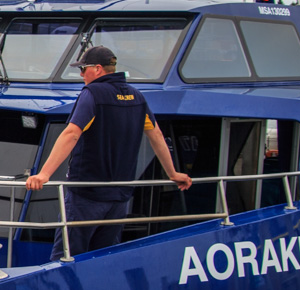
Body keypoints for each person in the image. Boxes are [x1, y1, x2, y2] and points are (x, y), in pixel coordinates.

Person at [26, 45, 191, 259]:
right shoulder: (136, 97)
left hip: (87, 195)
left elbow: (71, 134)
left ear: (97, 69)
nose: (81, 74)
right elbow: (157, 136)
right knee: (103, 257)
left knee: (66, 257)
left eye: (83, 69)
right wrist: (172, 174)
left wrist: (44, 174)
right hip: (120, 198)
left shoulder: (92, 93)